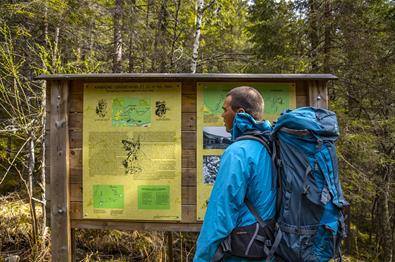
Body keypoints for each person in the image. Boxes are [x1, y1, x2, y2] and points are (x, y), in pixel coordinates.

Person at [194, 86, 276, 261]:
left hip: (243, 250)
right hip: (267, 246)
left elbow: (220, 213)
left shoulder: (238, 152)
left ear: (240, 112)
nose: (222, 115)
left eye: (225, 110)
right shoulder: (269, 146)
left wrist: (201, 258)